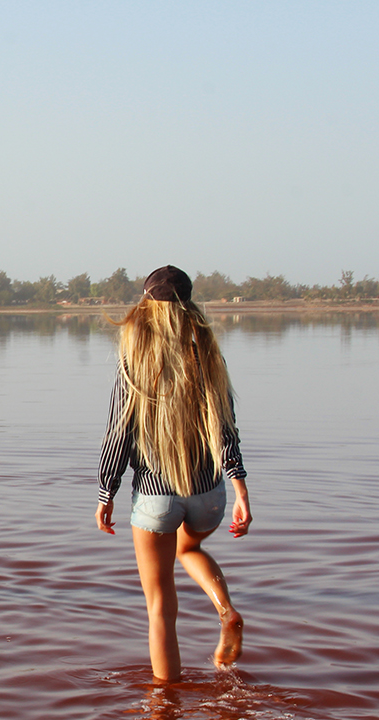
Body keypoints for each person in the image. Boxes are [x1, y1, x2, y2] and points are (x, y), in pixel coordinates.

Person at [95, 265, 252, 683]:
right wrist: (240, 491)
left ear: (147, 307)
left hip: (155, 496)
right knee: (188, 549)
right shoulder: (209, 359)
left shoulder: (135, 359)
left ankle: (166, 709)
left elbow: (119, 432)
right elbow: (226, 430)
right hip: (209, 496)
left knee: (160, 607)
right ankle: (226, 609)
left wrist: (105, 491)